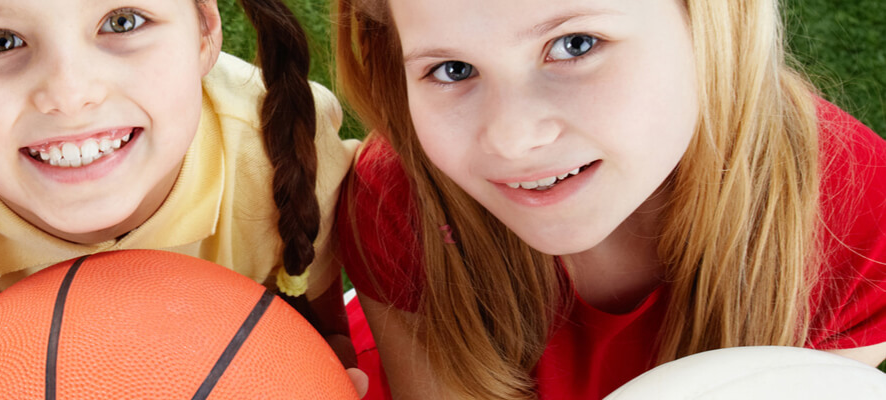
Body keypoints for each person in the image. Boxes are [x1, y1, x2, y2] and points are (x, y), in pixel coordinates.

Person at [328, 0, 886, 398]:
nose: (513, 138)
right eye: (452, 69)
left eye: (575, 44)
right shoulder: (399, 198)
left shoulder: (856, 206)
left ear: (712, 20)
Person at [0, 0, 366, 398]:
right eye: (0, 41)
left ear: (204, 27)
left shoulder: (277, 146)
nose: (70, 95)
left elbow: (319, 324)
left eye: (121, 21)